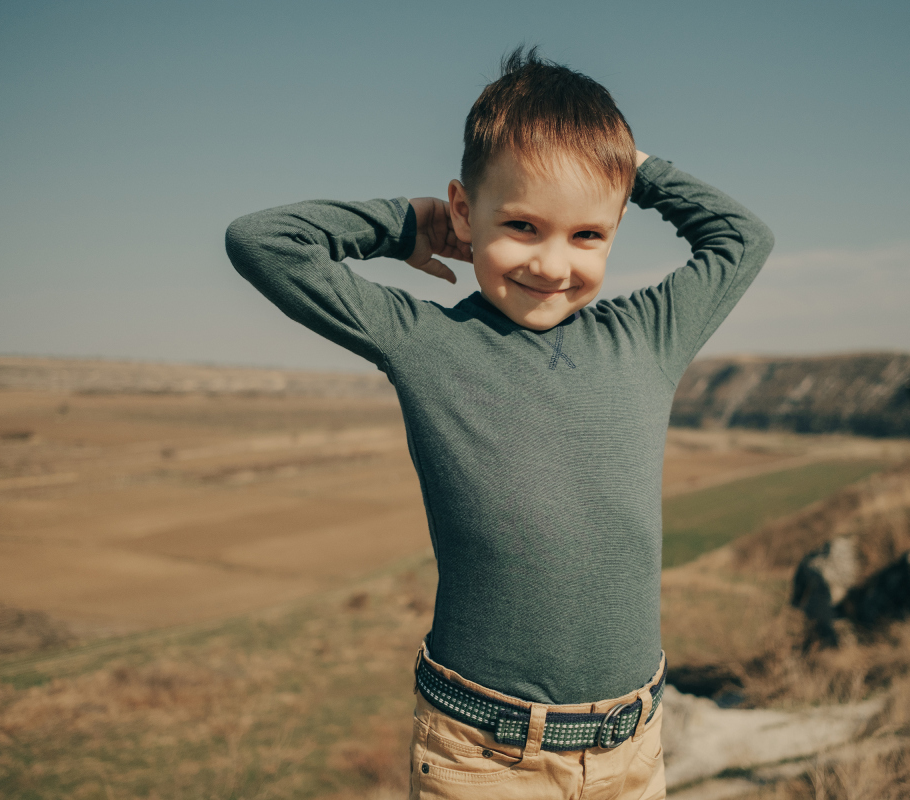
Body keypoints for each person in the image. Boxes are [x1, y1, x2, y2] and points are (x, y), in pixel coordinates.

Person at [225, 45, 773, 800]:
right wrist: (404, 224)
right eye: (521, 225)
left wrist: (627, 163)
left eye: (588, 235)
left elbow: (745, 239)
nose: (552, 265)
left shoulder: (650, 335)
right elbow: (262, 242)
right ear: (464, 211)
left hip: (633, 749)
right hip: (484, 757)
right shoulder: (427, 341)